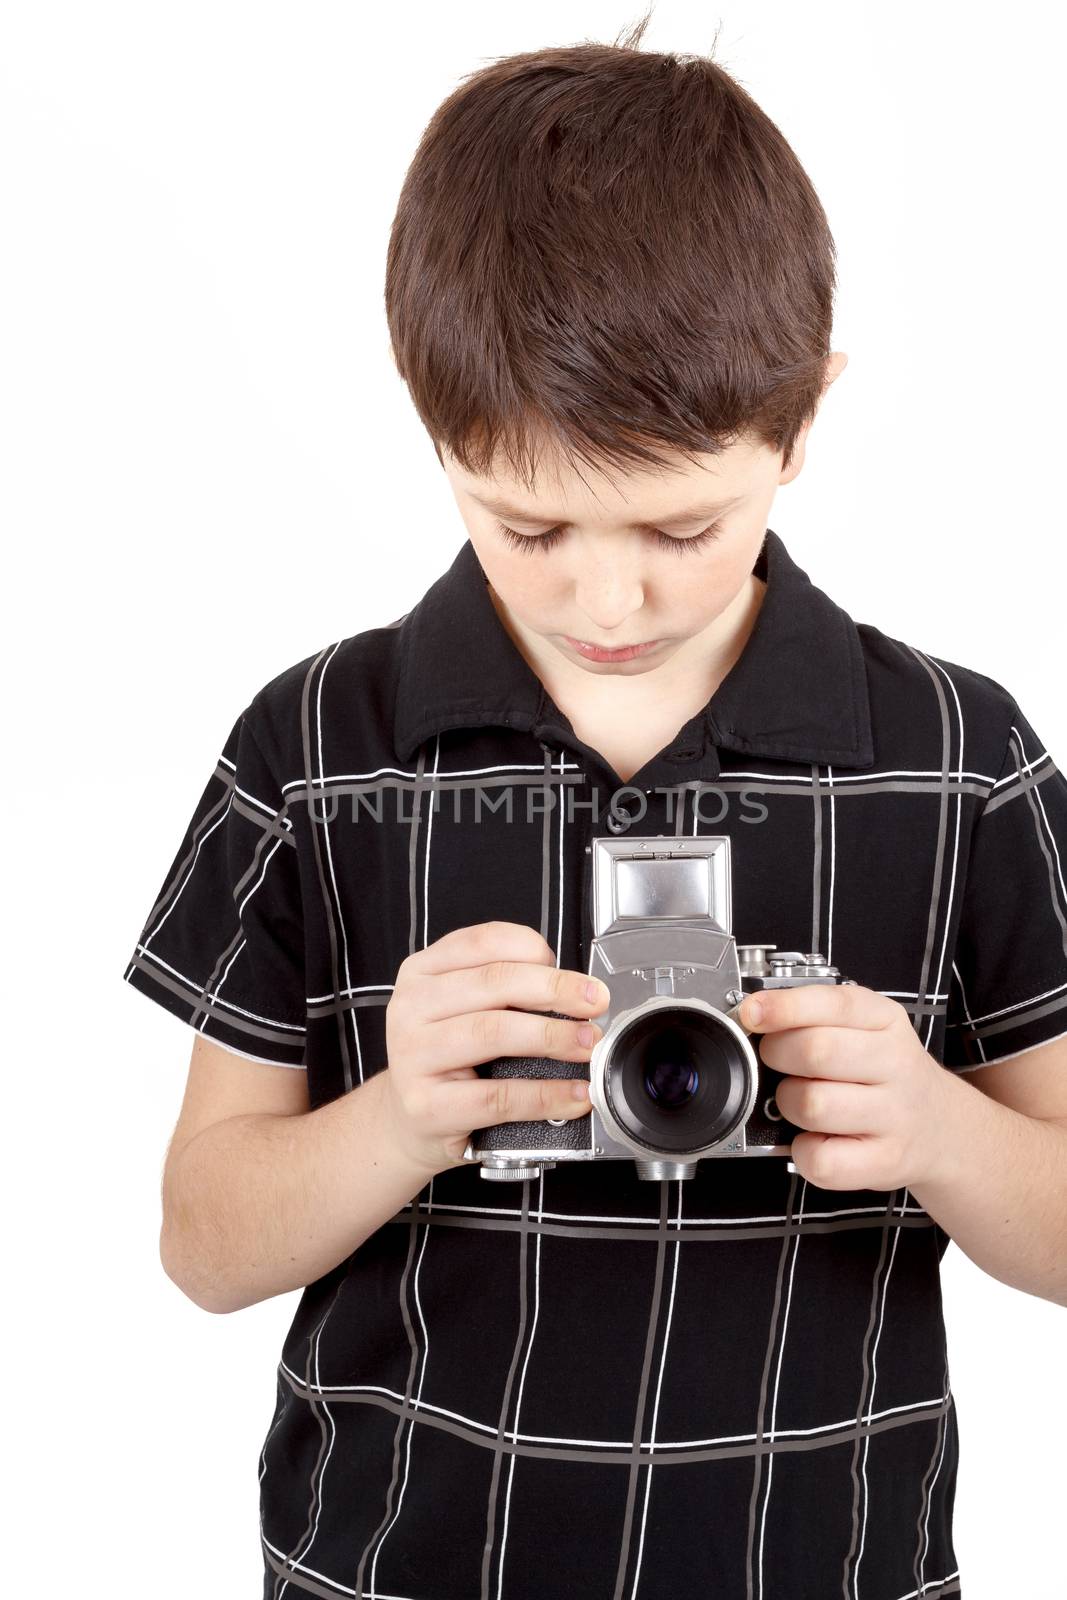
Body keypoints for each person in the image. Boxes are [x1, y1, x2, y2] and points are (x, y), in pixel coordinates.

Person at [121, 19, 1067, 1600]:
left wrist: (936, 1129)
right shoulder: (318, 746)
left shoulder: (954, 758)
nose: (607, 594)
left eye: (682, 523)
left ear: (806, 416)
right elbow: (202, 1241)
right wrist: (405, 1117)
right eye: (528, 522)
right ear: (432, 429)